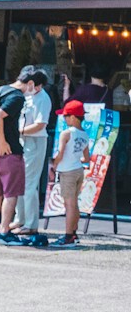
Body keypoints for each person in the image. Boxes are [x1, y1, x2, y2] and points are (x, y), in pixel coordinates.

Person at [0, 74, 28, 246]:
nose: (36, 90)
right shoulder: (17, 97)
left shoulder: (0, 91)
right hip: (8, 151)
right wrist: (3, 142)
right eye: (37, 86)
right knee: (11, 193)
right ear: (30, 83)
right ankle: (4, 232)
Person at [9, 66, 52, 246]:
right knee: (19, 181)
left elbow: (41, 124)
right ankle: (20, 219)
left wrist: (20, 131)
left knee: (29, 183)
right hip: (23, 141)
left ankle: (31, 223)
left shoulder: (43, 98)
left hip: (34, 142)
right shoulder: (26, 95)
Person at [50, 99, 89, 248]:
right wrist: (75, 157)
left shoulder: (66, 133)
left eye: (65, 116)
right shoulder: (84, 134)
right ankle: (74, 233)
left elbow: (60, 153)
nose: (64, 118)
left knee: (69, 204)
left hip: (67, 171)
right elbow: (86, 158)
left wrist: (54, 164)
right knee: (75, 203)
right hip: (79, 170)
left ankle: (68, 237)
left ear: (72, 117)